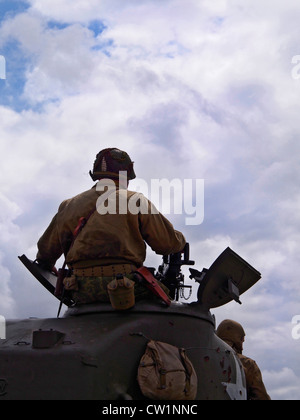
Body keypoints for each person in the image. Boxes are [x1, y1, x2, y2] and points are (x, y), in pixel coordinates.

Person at [36, 147, 186, 305]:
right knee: (170, 306)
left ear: (97, 175)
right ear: (126, 177)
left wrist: (47, 263)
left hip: (80, 290)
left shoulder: (68, 205)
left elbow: (45, 252)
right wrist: (180, 239)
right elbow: (167, 244)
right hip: (125, 287)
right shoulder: (134, 200)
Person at [216, 319, 271, 400]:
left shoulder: (203, 361)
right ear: (237, 339)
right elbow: (261, 397)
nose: (242, 347)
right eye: (242, 340)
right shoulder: (248, 364)